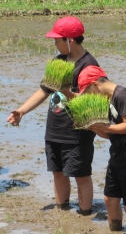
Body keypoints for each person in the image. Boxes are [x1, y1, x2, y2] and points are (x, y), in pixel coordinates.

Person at [7, 16, 99, 215]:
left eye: (57, 40)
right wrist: (22, 111)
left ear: (70, 40)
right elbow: (44, 90)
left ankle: (84, 214)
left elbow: (90, 104)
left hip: (77, 132)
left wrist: (66, 91)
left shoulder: (89, 66)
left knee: (81, 175)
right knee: (58, 172)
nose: (55, 44)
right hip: (55, 130)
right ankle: (62, 209)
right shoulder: (58, 61)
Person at [78, 65, 126, 234]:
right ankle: (115, 232)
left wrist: (107, 126)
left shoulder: (123, 96)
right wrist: (94, 128)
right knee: (109, 200)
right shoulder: (109, 99)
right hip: (117, 158)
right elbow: (111, 134)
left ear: (95, 85)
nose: (88, 97)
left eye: (86, 92)